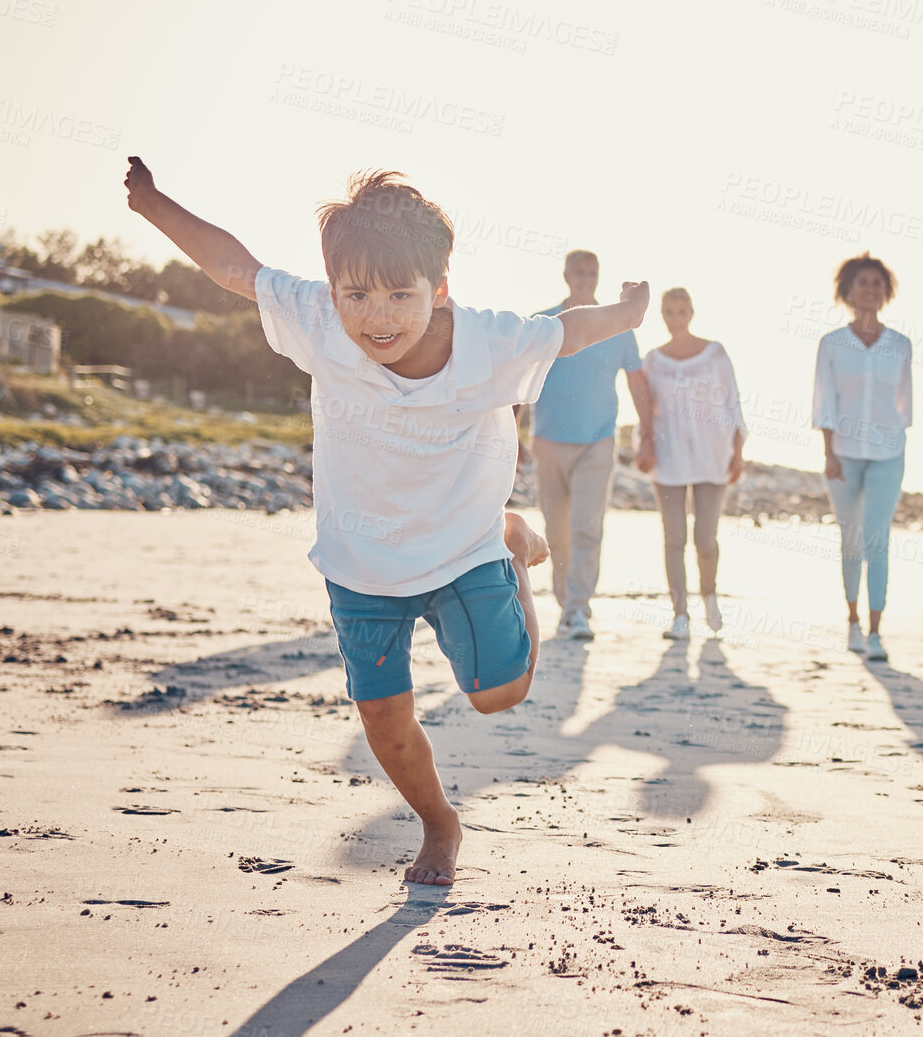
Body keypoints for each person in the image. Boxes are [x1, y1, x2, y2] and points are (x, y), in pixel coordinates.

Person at [123, 159, 647, 886]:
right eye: (356, 294)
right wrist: (151, 203)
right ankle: (439, 824)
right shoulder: (318, 320)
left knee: (501, 695)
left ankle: (513, 539)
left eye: (402, 295)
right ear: (332, 288)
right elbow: (232, 267)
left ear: (439, 289)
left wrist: (627, 315)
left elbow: (571, 330)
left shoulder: (490, 344)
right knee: (384, 721)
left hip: (464, 545)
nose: (378, 317)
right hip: (362, 560)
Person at [529, 250, 651, 642]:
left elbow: (637, 381)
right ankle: (567, 604)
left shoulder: (618, 327)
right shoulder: (544, 323)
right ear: (566, 275)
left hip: (598, 441)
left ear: (598, 276)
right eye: (578, 272)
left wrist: (647, 433)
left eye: (591, 272)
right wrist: (510, 433)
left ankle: (578, 609)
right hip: (548, 441)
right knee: (556, 529)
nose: (584, 278)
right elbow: (518, 379)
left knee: (587, 526)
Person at [811, 254, 912, 663]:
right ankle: (851, 621)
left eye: (877, 284)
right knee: (850, 540)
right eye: (862, 283)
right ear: (848, 292)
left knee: (877, 539)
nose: (870, 289)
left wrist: (894, 440)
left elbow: (904, 406)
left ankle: (875, 632)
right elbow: (824, 402)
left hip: (888, 455)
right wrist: (829, 454)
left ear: (886, 293)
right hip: (844, 457)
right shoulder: (832, 344)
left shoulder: (900, 345)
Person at [635, 287, 747, 642]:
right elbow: (645, 408)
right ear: (663, 316)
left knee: (705, 539)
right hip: (668, 460)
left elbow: (733, 402)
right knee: (674, 538)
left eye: (682, 311)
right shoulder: (653, 359)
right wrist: (644, 446)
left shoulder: (715, 354)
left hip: (713, 457)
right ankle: (679, 614)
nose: (676, 317)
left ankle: (710, 597)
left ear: (692, 313)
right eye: (669, 311)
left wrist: (738, 451)